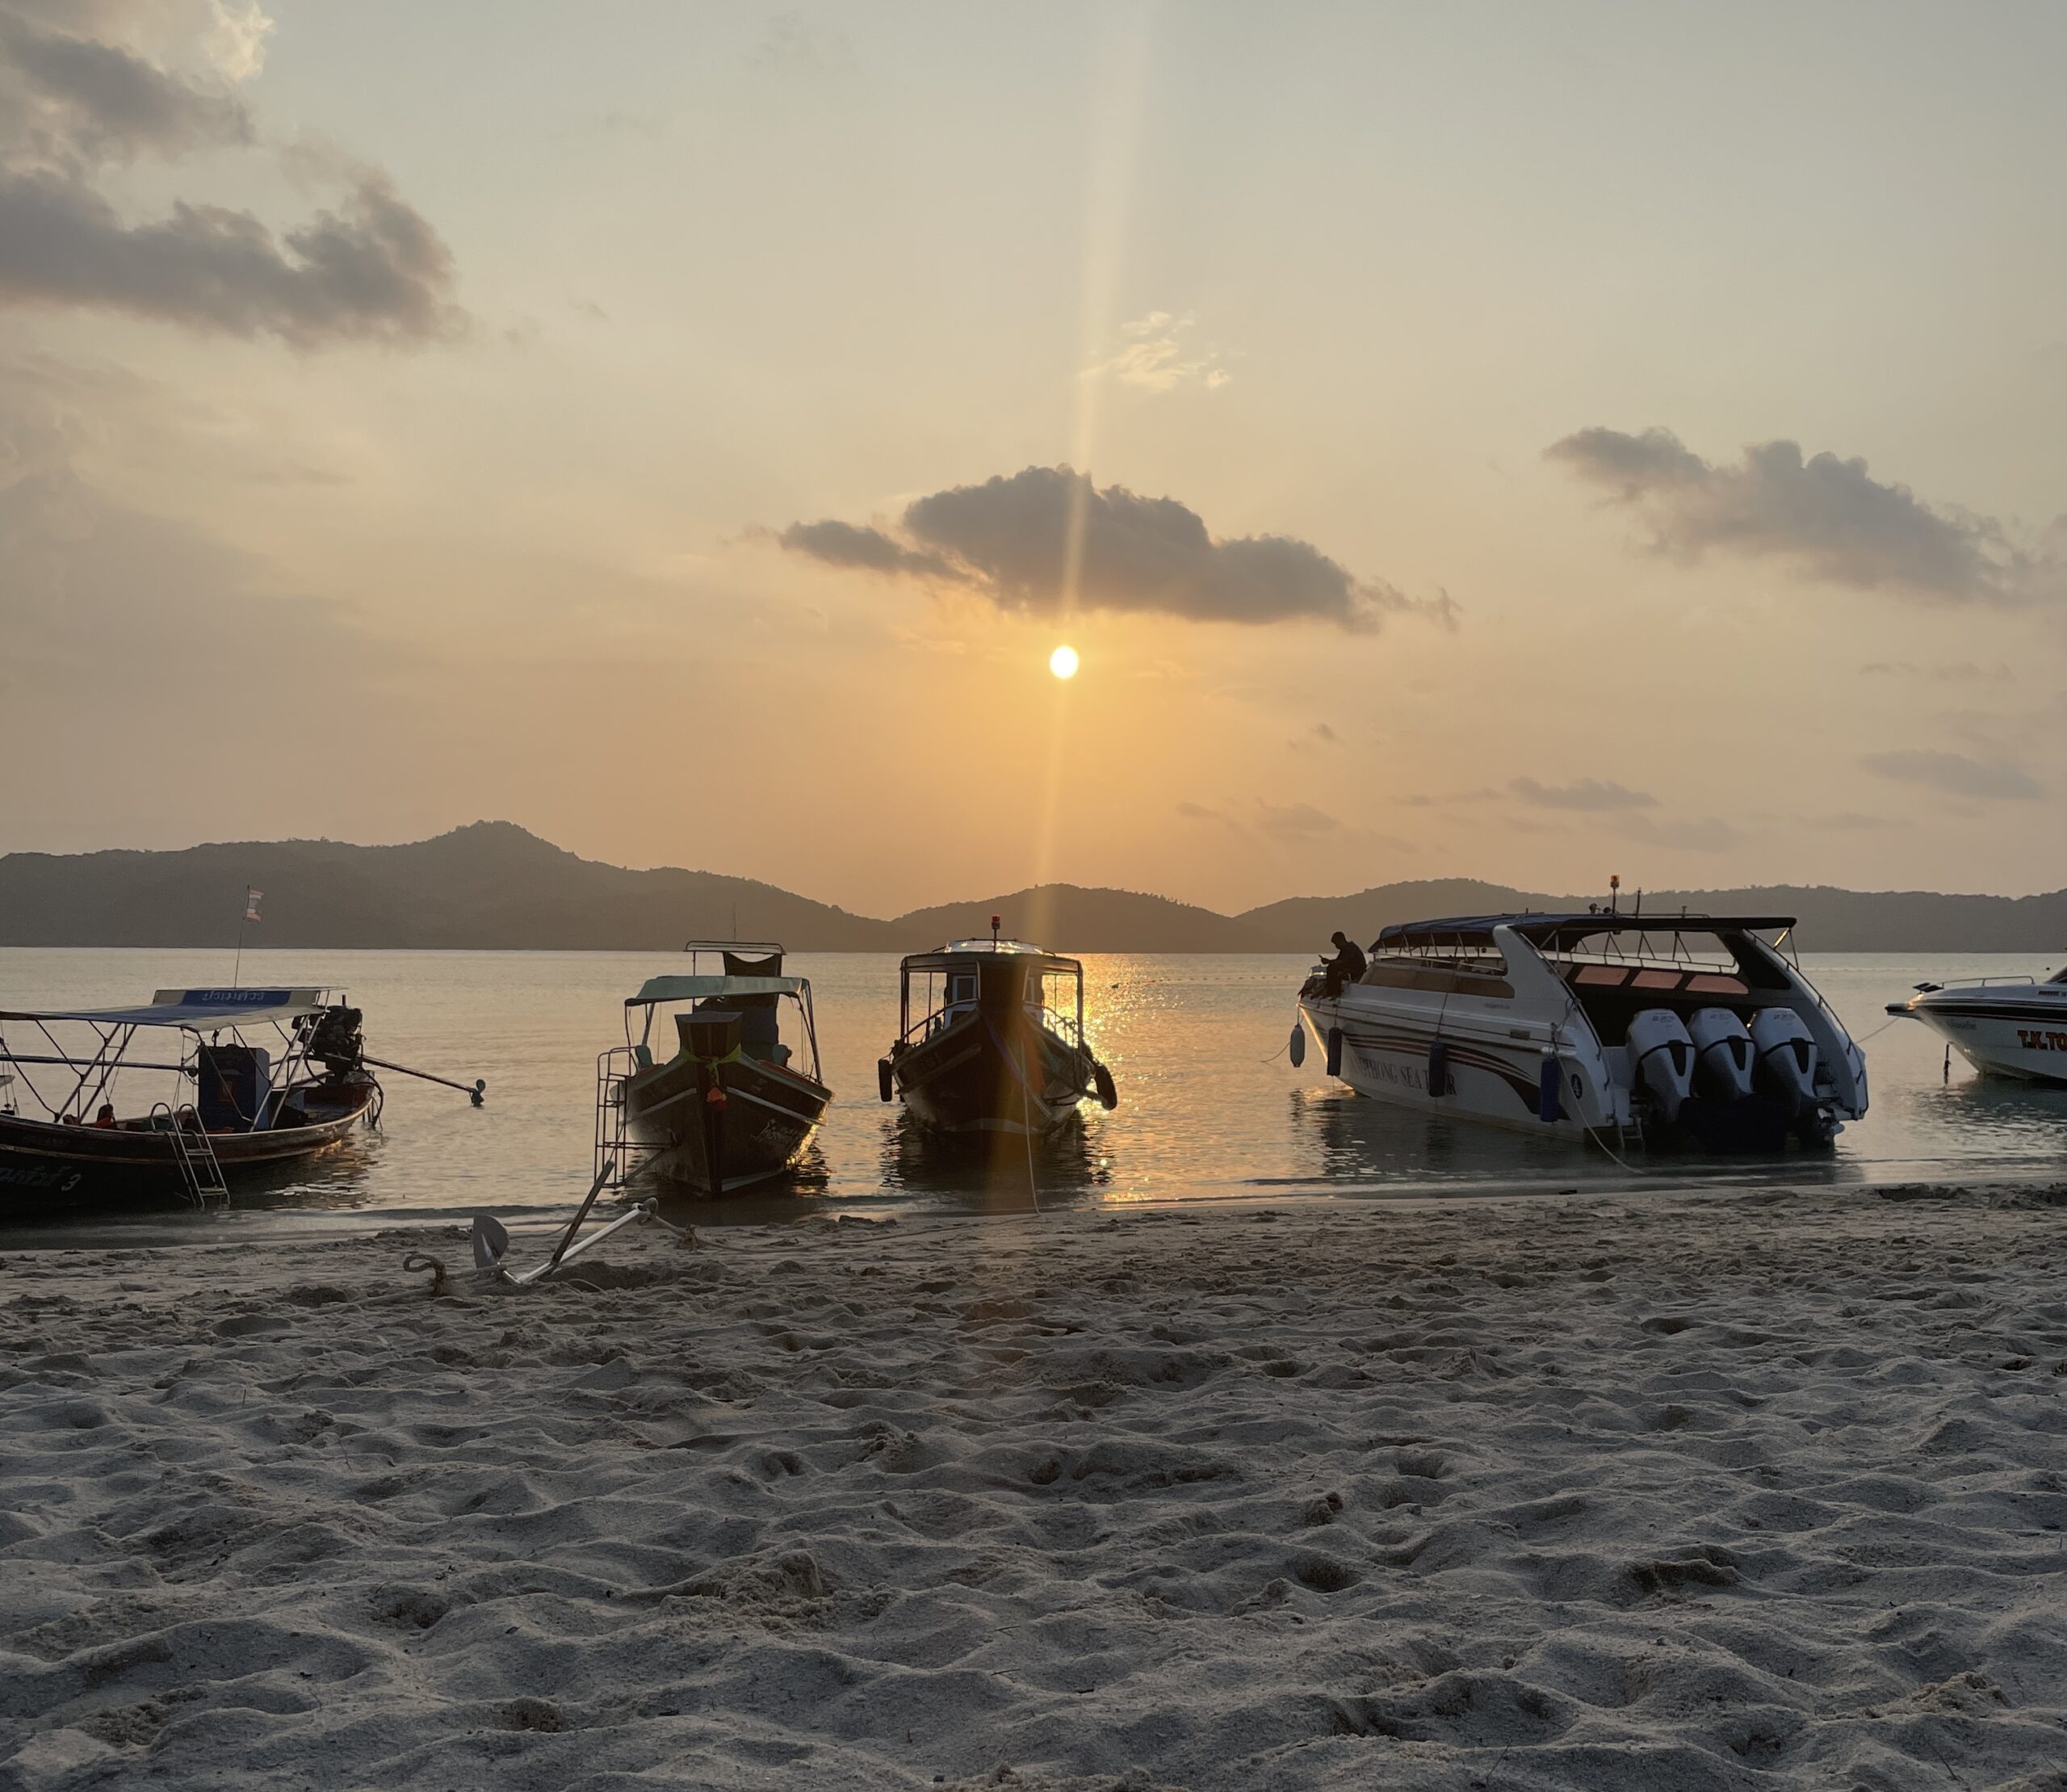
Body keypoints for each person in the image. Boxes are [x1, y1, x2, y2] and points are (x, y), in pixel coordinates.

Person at [1323, 930, 1367, 998]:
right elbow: (1339, 961)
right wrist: (1329, 961)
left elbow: (1345, 962)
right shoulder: (1345, 949)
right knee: (1332, 967)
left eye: (1336, 944)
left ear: (1341, 941)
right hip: (1351, 969)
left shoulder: (1351, 949)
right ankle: (1331, 992)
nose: (1336, 946)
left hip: (1357, 972)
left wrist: (1329, 961)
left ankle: (1335, 993)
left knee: (1333, 968)